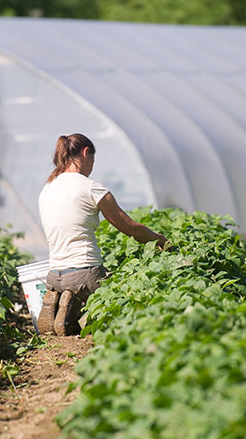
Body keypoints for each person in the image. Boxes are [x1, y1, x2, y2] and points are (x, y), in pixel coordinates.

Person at [36, 133, 167, 335]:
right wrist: (160, 239)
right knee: (121, 299)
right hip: (84, 273)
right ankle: (74, 307)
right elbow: (129, 227)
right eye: (93, 161)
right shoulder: (90, 188)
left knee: (72, 291)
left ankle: (61, 299)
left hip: (54, 275)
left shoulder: (48, 188)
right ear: (86, 153)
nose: (91, 168)